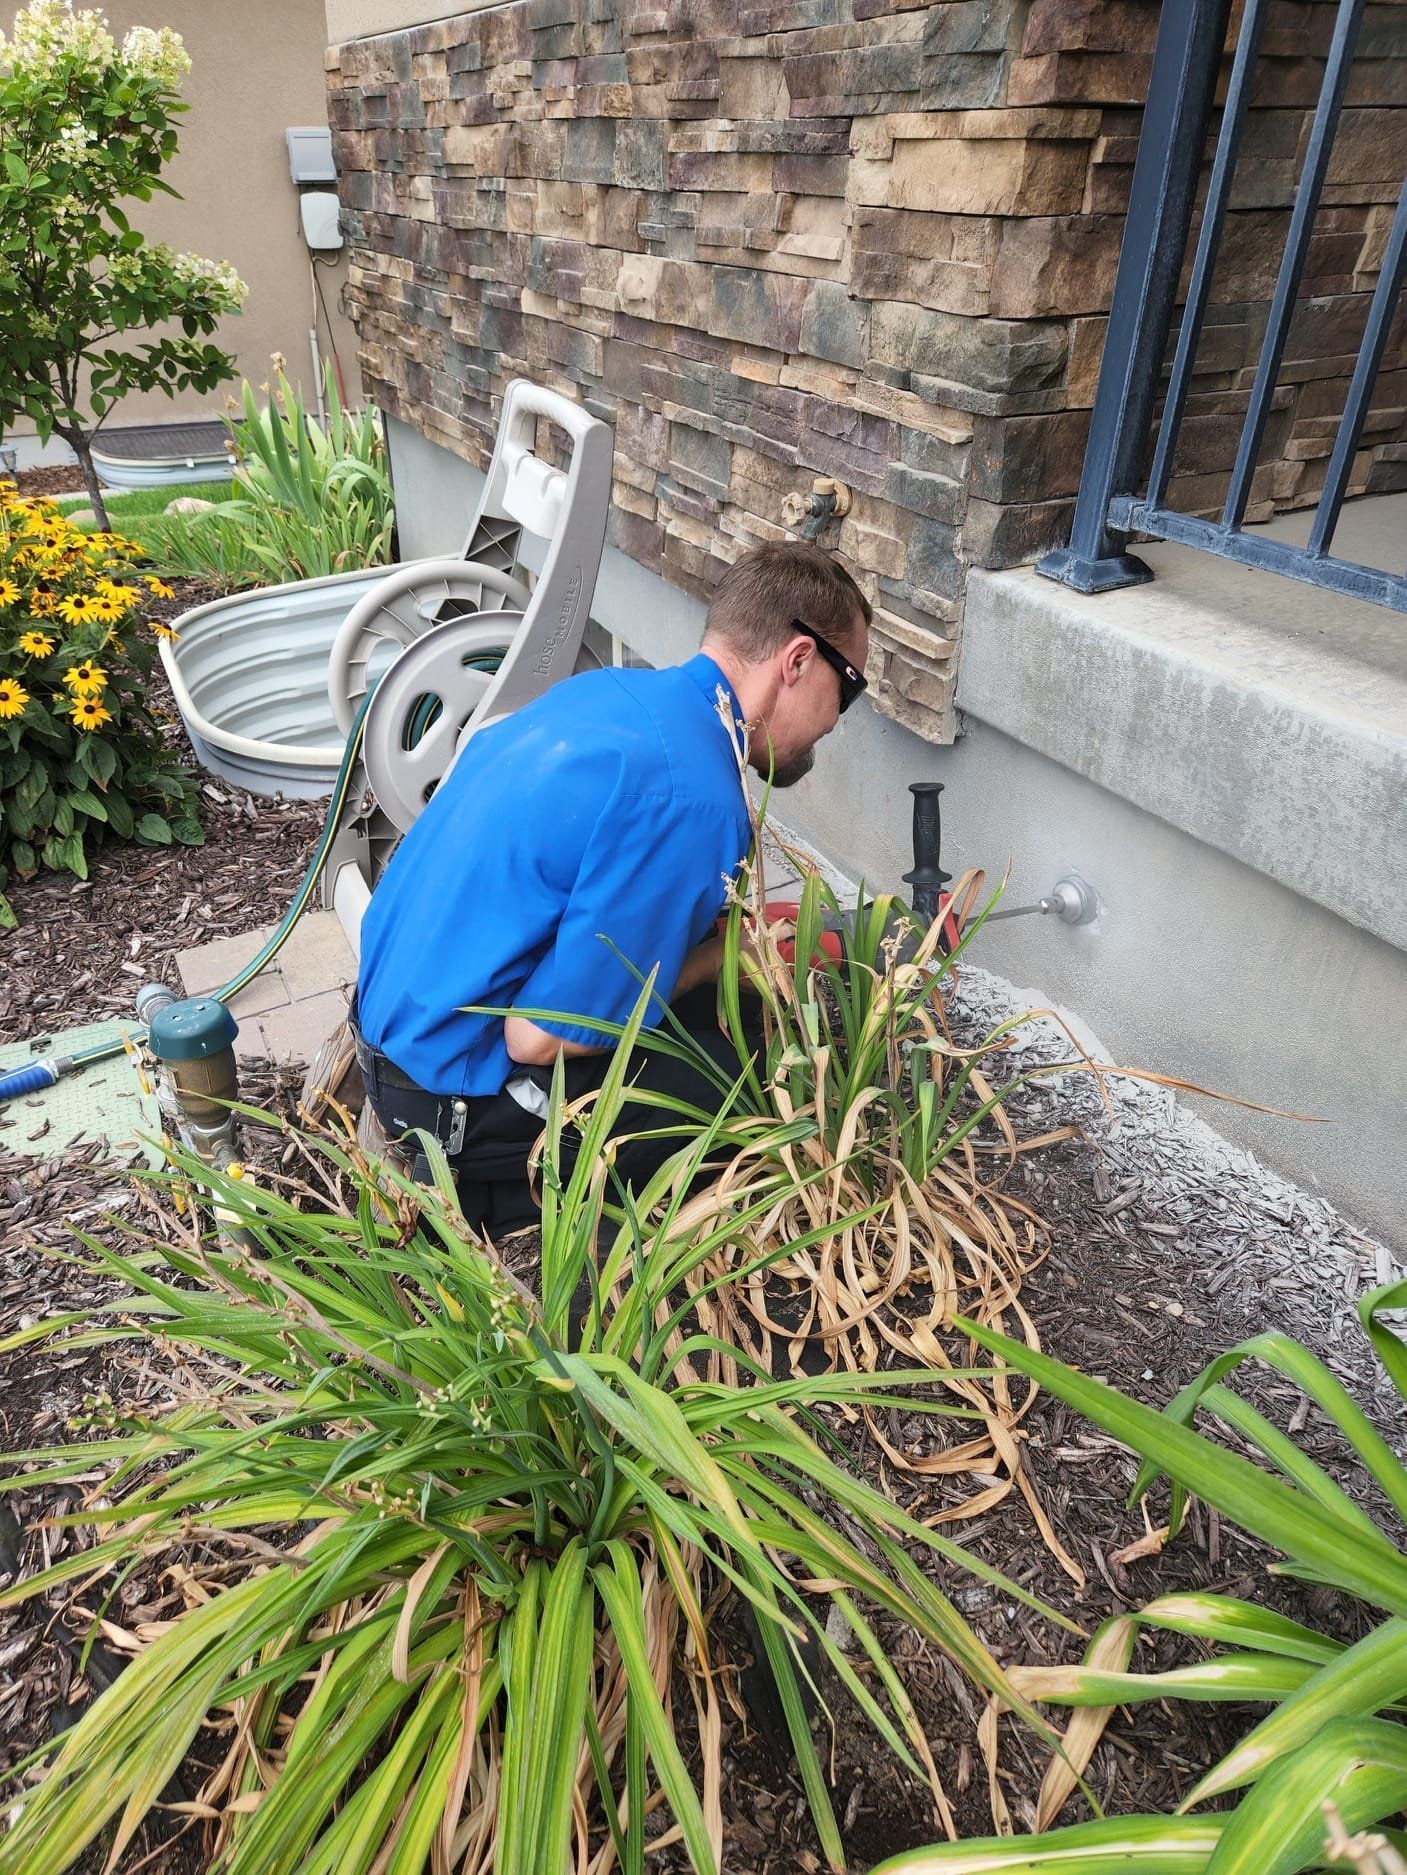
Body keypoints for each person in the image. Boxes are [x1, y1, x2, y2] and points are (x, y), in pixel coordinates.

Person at [352, 539, 871, 1235]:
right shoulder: (693, 797)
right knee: (750, 1059)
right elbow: (536, 1039)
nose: (838, 719)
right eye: (851, 688)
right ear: (798, 660)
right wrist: (724, 957)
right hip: (446, 1101)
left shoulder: (612, 694)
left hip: (394, 1031)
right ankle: (549, 1232)